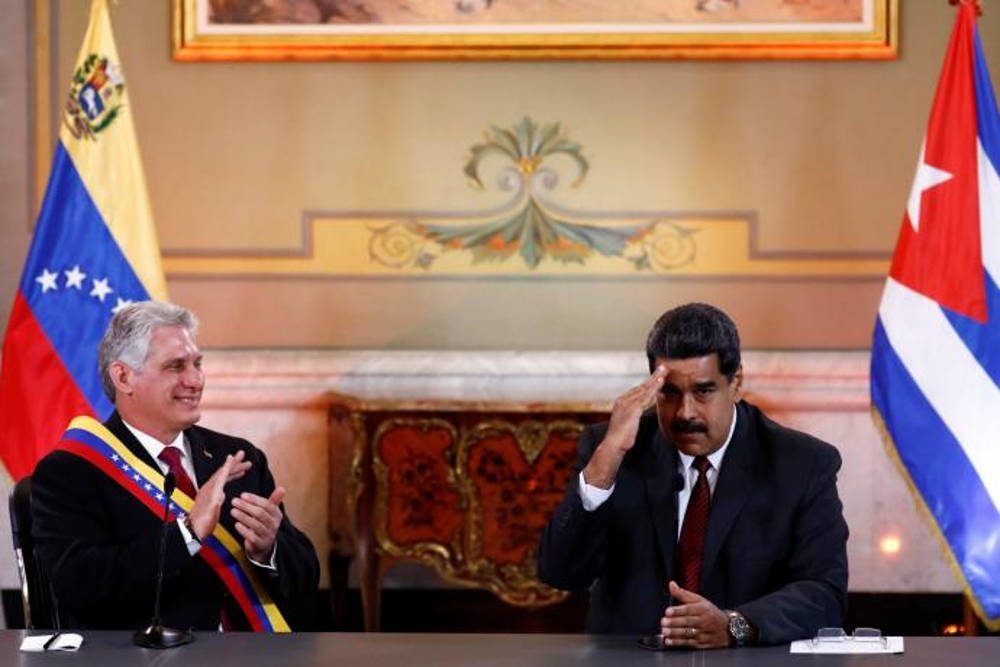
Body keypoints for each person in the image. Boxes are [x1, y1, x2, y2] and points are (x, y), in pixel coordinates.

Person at [537, 303, 848, 647]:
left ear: (736, 382)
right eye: (669, 393)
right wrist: (605, 462)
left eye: (703, 391)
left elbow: (824, 594)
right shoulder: (613, 449)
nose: (685, 413)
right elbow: (560, 573)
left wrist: (735, 625)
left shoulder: (802, 464)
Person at [31, 301, 319, 631]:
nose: (196, 380)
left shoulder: (236, 456)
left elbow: (306, 577)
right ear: (124, 377)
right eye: (176, 366)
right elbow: (79, 587)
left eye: (197, 364)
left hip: (253, 653)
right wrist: (188, 532)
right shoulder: (72, 471)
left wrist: (268, 550)